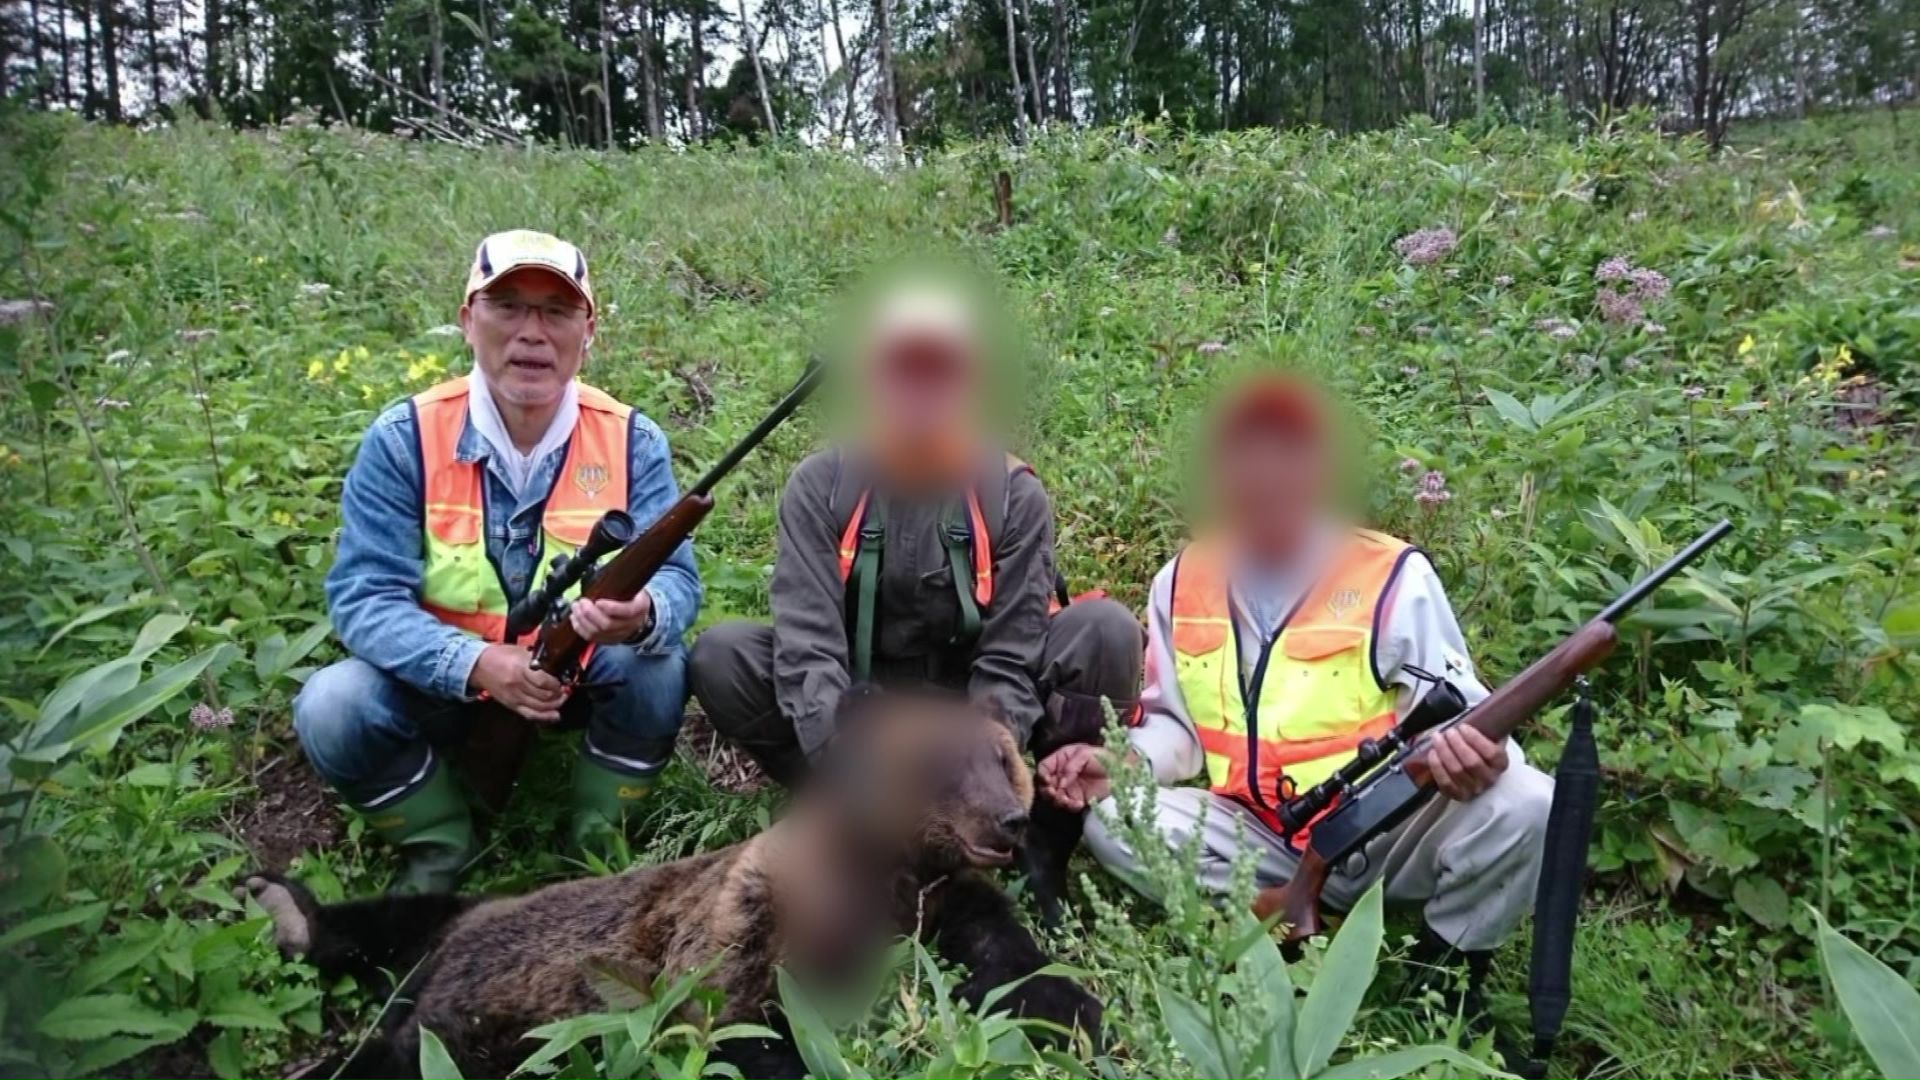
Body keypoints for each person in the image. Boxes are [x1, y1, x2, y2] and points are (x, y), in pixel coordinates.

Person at [1040, 374, 1551, 998]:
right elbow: (1178, 731)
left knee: (1527, 801)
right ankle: (1280, 922)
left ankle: (1441, 977)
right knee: (1114, 818)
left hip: (1385, 830)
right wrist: (1120, 761)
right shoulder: (1182, 581)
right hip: (1256, 832)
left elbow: (1464, 718)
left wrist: (1478, 759)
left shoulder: (1392, 577)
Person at [688, 284, 1142, 915]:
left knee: (1105, 630)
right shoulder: (822, 486)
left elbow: (1011, 661)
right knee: (724, 655)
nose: (922, 393)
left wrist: (983, 770)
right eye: (904, 371)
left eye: (941, 372)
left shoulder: (1013, 496)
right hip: (867, 715)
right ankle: (859, 815)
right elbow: (809, 651)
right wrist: (853, 764)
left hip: (974, 720)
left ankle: (1040, 849)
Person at [294, 230, 702, 893]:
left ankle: (597, 846)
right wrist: (477, 664)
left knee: (659, 668)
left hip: (575, 681)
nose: (532, 334)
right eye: (507, 306)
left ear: (588, 329)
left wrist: (645, 612)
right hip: (439, 686)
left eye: (556, 311)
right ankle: (440, 847)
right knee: (332, 706)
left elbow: (680, 581)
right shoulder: (404, 438)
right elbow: (364, 600)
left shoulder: (634, 439)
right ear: (467, 320)